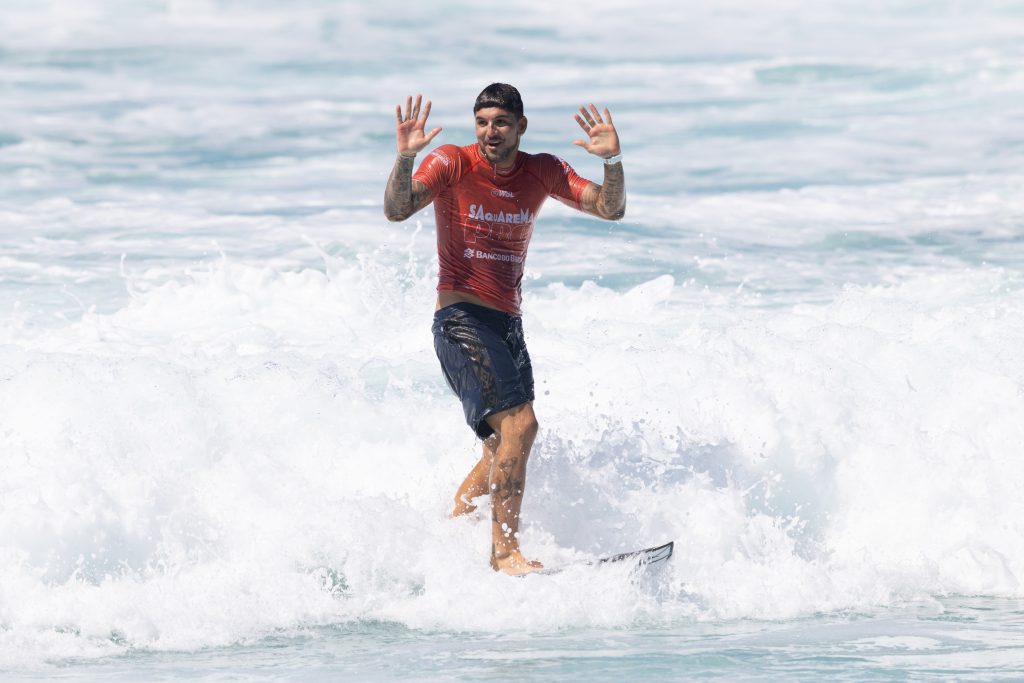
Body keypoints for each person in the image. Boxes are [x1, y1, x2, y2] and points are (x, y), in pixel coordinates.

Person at [383, 83, 626, 575]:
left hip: (507, 324)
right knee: (521, 424)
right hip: (460, 319)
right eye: (482, 122)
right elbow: (398, 208)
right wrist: (406, 158)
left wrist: (613, 161)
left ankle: (452, 533)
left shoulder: (542, 171)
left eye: (500, 123)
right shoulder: (454, 162)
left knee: (502, 445)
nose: (490, 132)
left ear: (520, 127)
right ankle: (504, 553)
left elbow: (608, 207)